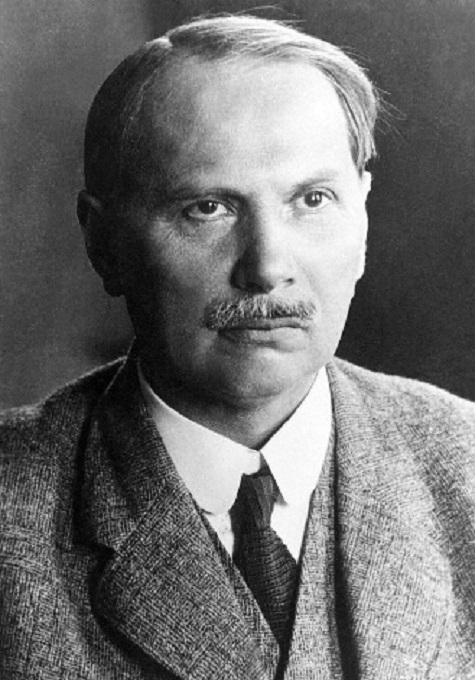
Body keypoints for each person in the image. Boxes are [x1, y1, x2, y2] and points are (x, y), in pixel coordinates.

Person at [1, 13, 475, 680]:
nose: (267, 268)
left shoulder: (463, 465)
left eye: (312, 200)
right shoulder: (13, 508)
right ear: (103, 243)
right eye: (207, 208)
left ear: (362, 218)